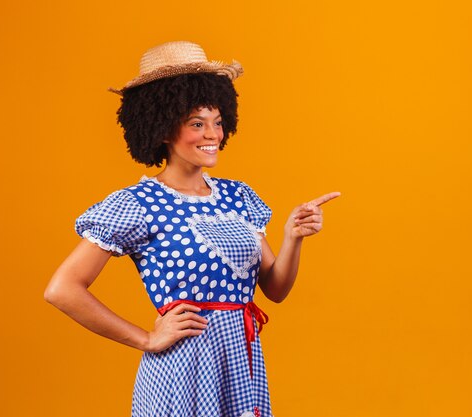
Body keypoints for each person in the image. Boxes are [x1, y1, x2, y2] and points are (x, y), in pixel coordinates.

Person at [44, 41, 340, 417]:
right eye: (197, 124)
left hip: (240, 366)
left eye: (217, 122)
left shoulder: (239, 197)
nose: (212, 134)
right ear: (164, 129)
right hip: (182, 369)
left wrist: (292, 237)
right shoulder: (138, 203)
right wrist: (147, 338)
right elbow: (62, 290)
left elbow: (275, 289)